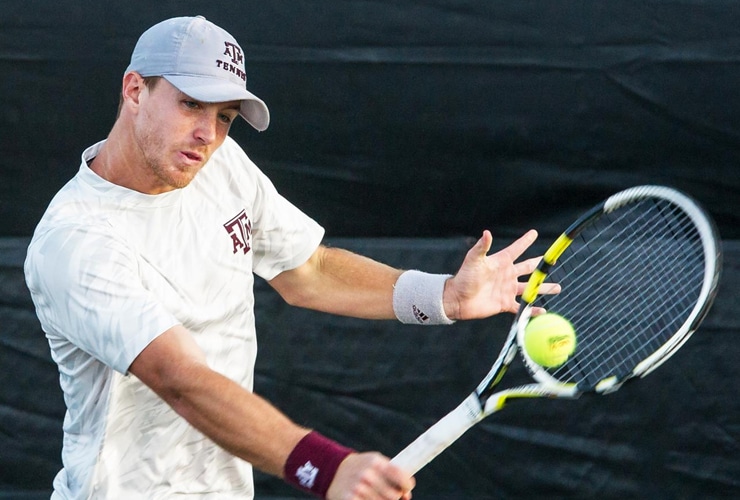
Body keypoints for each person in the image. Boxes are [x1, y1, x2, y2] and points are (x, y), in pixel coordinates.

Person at [24, 16, 554, 500]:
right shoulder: (76, 240)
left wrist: (442, 296)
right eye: (191, 104)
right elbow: (180, 378)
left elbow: (308, 271)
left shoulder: (218, 165)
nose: (208, 134)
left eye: (225, 116)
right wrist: (325, 468)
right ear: (135, 89)